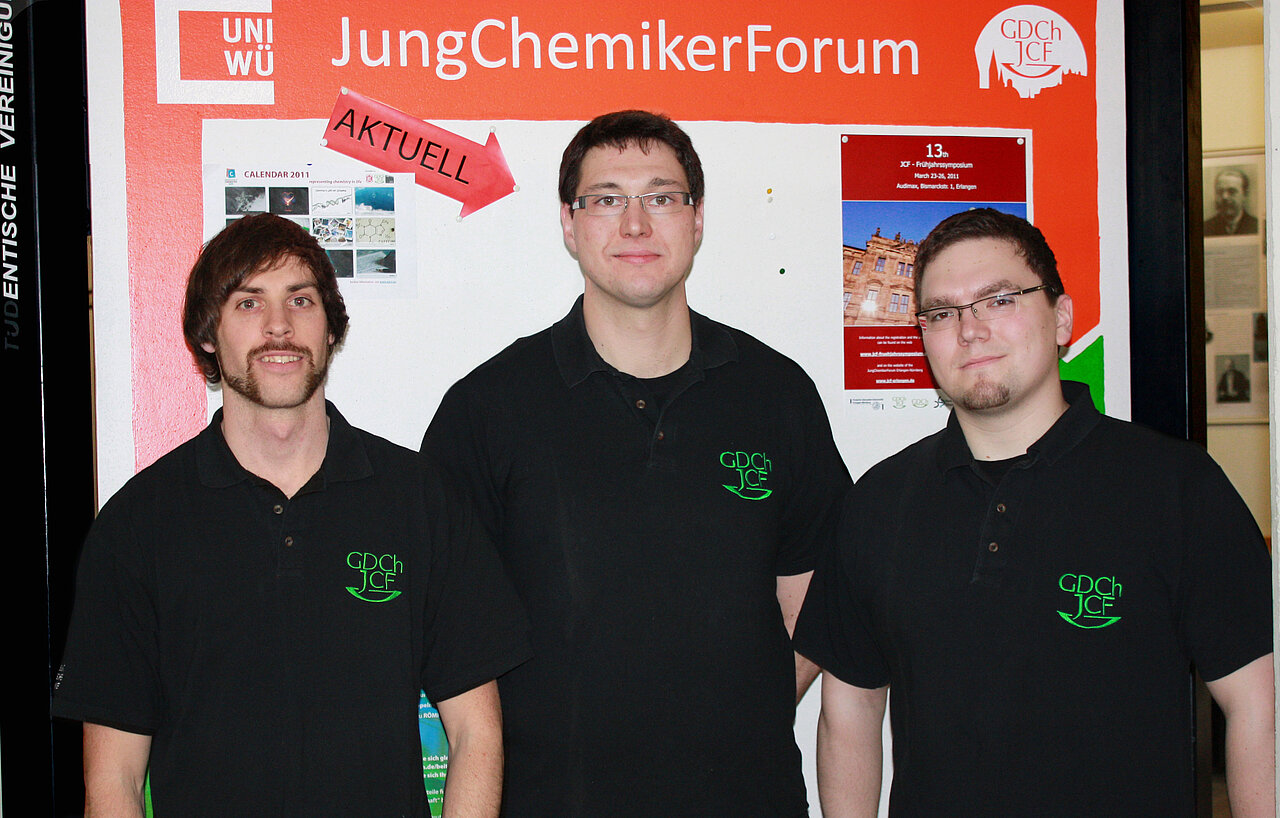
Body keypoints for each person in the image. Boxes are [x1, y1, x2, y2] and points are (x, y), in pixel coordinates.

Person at [421, 110, 851, 816]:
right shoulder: (488, 408)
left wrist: (743, 705)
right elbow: (452, 629)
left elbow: (819, 592)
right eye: (606, 199)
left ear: (697, 218)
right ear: (569, 224)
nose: (636, 224)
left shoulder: (776, 395)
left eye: (661, 196)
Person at [795, 208, 1274, 816]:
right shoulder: (878, 502)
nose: (969, 330)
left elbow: (1258, 706)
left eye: (999, 301)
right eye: (942, 313)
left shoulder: (1176, 487)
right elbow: (850, 711)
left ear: (1062, 318)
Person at [52, 213, 531, 817]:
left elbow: (475, 734)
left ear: (330, 330)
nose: (279, 325)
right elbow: (114, 780)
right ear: (208, 334)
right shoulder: (137, 524)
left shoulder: (422, 501)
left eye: (301, 300)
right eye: (249, 303)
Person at [1205, 168, 1260, 235]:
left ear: (1245, 194)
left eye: (1231, 191)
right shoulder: (1206, 228)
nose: (1224, 197)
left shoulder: (1257, 226)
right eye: (1220, 191)